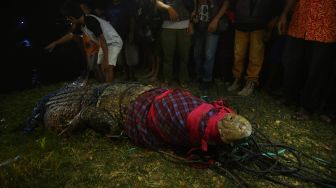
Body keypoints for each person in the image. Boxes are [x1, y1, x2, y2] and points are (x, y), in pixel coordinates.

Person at [278, 0, 336, 119]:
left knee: (317, 70)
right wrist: (284, 14)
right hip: (299, 23)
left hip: (324, 27)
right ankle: (289, 96)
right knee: (291, 62)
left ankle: (308, 107)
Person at [59, 0, 123, 83]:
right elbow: (71, 35)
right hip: (103, 43)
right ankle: (106, 86)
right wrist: (55, 43)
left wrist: (106, 60)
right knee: (100, 66)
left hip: (113, 41)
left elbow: (102, 39)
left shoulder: (90, 20)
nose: (68, 20)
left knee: (108, 66)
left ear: (73, 17)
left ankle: (109, 90)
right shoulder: (80, 24)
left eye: (68, 18)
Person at [227, 0, 280, 96]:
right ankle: (237, 78)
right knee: (238, 54)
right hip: (240, 23)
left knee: (255, 56)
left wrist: (270, 26)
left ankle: (251, 81)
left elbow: (276, 8)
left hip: (259, 26)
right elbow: (232, 5)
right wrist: (233, 18)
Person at [191, 0, 229, 90]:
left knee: (209, 54)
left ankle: (207, 79)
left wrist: (216, 20)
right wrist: (195, 14)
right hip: (199, 25)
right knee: (197, 53)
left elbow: (226, 3)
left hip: (212, 25)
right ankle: (199, 76)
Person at [156, 0, 193, 86]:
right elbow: (157, 3)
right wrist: (169, 8)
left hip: (185, 27)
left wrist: (190, 23)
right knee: (168, 56)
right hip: (167, 26)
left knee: (184, 56)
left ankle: (184, 79)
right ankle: (167, 79)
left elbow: (193, 7)